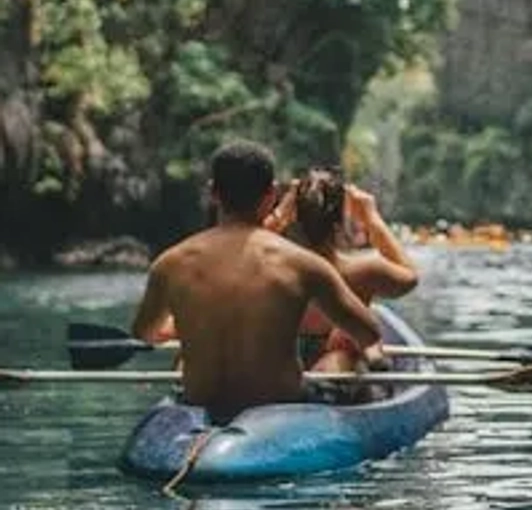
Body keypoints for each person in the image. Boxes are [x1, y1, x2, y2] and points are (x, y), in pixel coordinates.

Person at [130, 140, 387, 424]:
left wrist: (189, 325)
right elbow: (368, 333)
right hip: (280, 403)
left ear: (213, 192)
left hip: (199, 401)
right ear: (271, 196)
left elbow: (144, 333)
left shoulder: (170, 264)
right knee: (354, 370)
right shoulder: (303, 264)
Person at [267, 168, 418, 375]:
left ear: (293, 217)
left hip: (282, 366)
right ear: (340, 222)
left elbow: (244, 251)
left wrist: (280, 216)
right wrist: (371, 217)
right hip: (338, 371)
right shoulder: (365, 270)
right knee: (345, 351)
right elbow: (410, 277)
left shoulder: (270, 269)